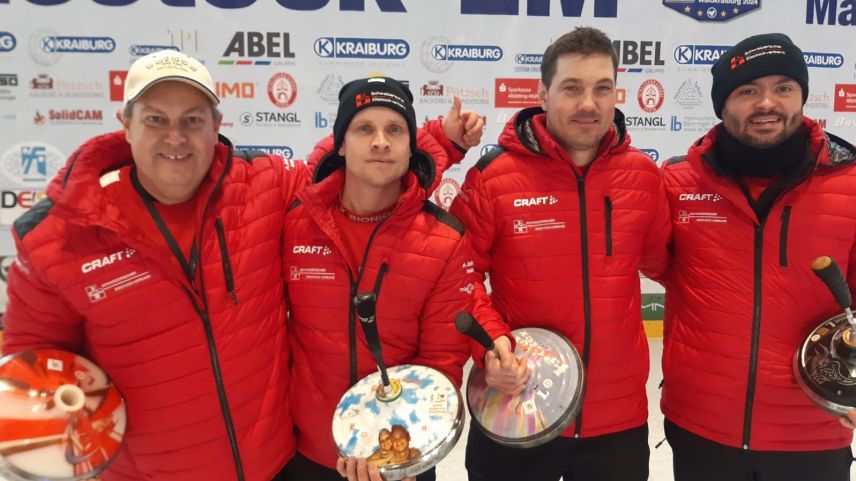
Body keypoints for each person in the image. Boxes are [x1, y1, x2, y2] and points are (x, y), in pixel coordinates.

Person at [1, 50, 304, 481]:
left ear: (217, 126)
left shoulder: (263, 183)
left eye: (192, 120)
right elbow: (34, 372)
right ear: (126, 125)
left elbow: (353, 175)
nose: (176, 138)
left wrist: (435, 138)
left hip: (271, 468)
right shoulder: (57, 235)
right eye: (156, 119)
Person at [449, 27, 671, 481]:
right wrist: (492, 345)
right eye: (572, 88)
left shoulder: (644, 177)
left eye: (601, 89)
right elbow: (456, 275)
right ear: (543, 94)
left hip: (615, 421)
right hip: (515, 408)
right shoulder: (494, 177)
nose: (588, 104)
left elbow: (672, 266)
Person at [659, 33, 856, 481]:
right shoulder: (676, 183)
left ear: (802, 97)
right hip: (703, 427)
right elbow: (651, 260)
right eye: (747, 90)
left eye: (784, 87)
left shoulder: (850, 183)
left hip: (812, 431)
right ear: (721, 105)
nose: (767, 103)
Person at [280, 77, 479, 481]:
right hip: (307, 454)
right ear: (339, 143)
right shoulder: (295, 222)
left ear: (410, 147)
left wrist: (401, 452)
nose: (380, 142)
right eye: (363, 129)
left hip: (401, 455)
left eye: (395, 130)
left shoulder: (445, 240)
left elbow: (441, 362)